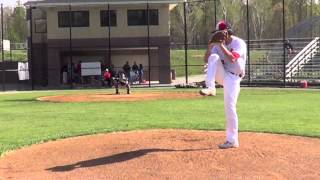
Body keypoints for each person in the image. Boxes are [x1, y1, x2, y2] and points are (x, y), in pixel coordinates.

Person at [199, 20, 247, 149]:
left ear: (228, 32)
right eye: (217, 33)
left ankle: (232, 140)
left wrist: (220, 45)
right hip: (223, 74)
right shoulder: (217, 44)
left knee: (230, 107)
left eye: (222, 33)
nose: (219, 35)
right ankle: (211, 87)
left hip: (234, 78)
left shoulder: (238, 43)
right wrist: (211, 44)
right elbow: (206, 59)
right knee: (213, 57)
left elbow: (232, 58)